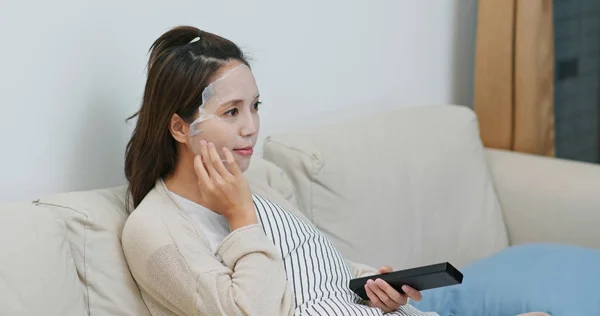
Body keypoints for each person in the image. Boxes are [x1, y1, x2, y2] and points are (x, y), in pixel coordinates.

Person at [121, 25, 549, 316]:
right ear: (179, 126)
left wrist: (372, 286)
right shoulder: (155, 231)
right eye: (231, 111)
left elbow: (319, 274)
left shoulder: (258, 186)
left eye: (254, 107)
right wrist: (241, 219)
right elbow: (250, 310)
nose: (251, 126)